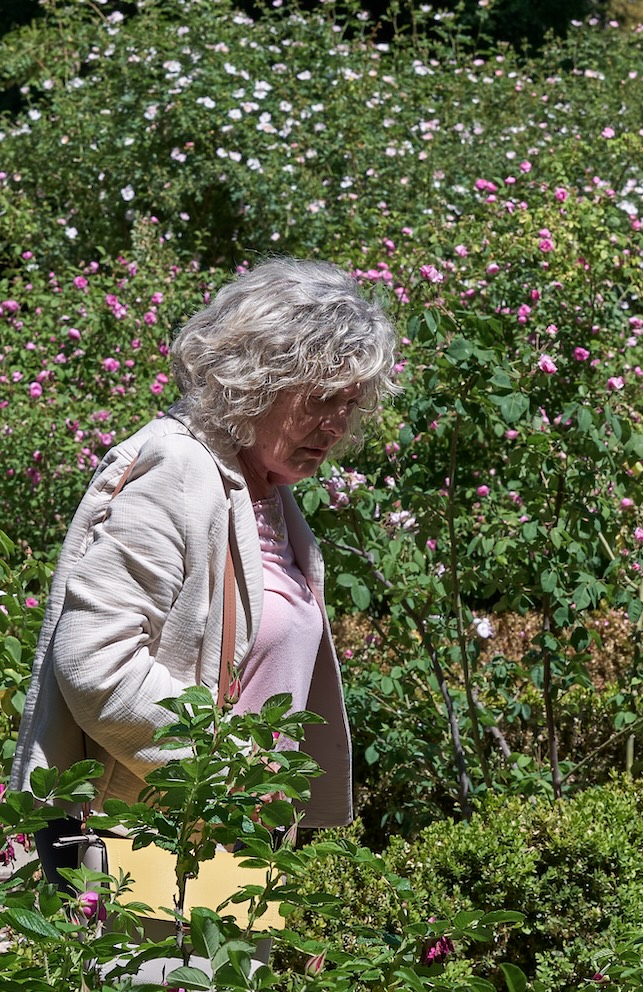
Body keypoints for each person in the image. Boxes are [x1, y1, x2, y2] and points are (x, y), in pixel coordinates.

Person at [12, 258, 398, 884]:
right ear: (256, 381)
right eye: (320, 398)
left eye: (349, 405)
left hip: (229, 847)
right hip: (146, 846)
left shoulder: (266, 490)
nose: (335, 426)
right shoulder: (177, 469)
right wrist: (230, 777)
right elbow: (96, 666)